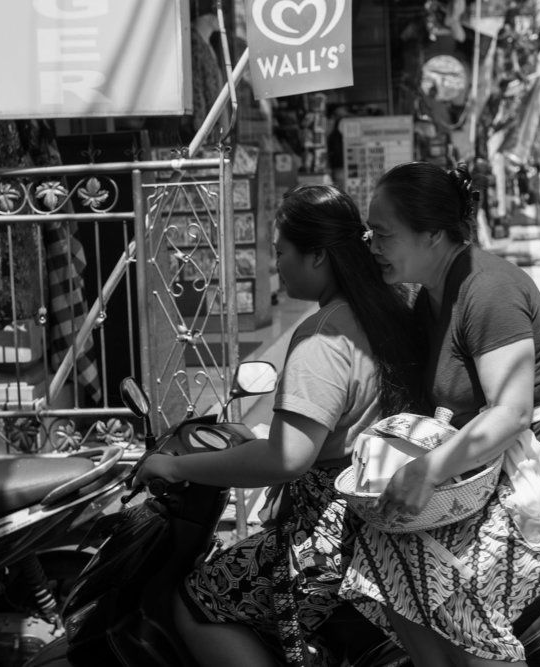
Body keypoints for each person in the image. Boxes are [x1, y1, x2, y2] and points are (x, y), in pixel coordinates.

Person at [340, 162, 540, 666]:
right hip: (506, 471)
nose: (373, 246)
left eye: (383, 234)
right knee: (380, 564)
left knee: (457, 595)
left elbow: (512, 412)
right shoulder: (431, 297)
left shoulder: (487, 288)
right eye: (370, 234)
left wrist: (427, 471)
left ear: (432, 234)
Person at [134, 185, 424, 667]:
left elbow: (287, 459)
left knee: (194, 601)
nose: (276, 264)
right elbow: (330, 433)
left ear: (317, 256)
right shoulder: (388, 311)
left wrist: (174, 466)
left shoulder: (321, 337)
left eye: (281, 251)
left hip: (330, 542)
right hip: (381, 529)